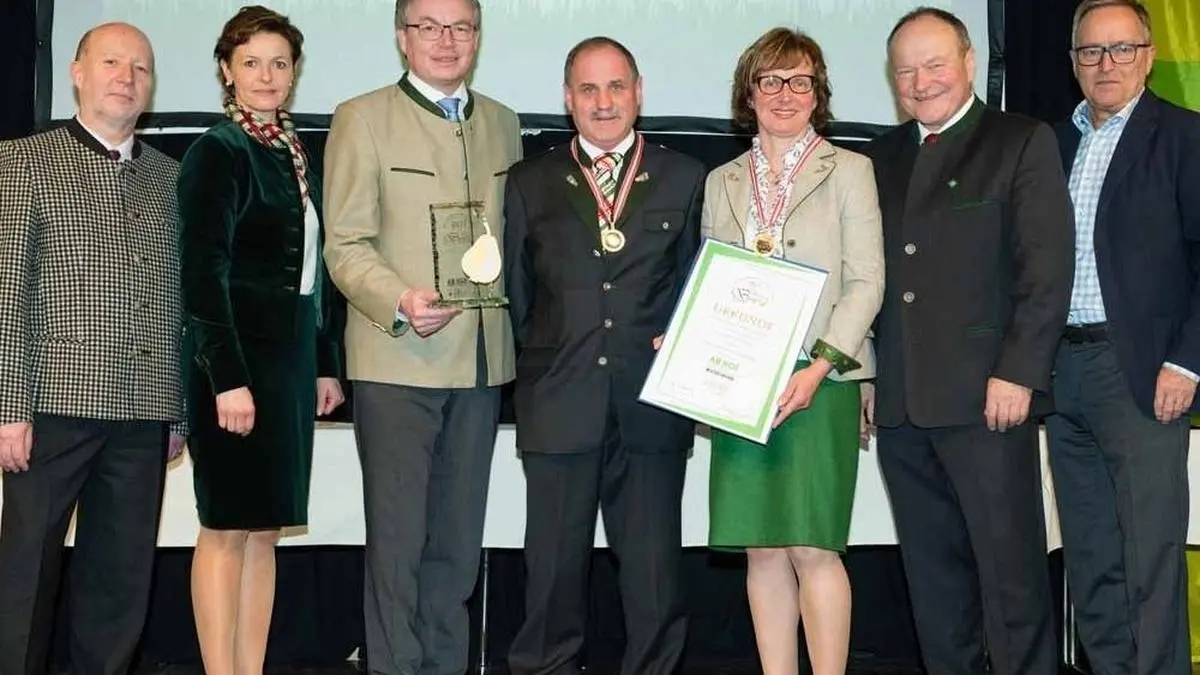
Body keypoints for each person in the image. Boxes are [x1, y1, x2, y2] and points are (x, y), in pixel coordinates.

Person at [860, 7, 1075, 675]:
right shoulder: (880, 157)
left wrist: (1019, 371)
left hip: (989, 400)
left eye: (935, 65)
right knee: (933, 581)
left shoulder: (1020, 140)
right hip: (902, 404)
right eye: (906, 71)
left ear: (970, 62)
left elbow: (1046, 268)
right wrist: (866, 371)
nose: (921, 82)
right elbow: (870, 277)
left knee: (1011, 580)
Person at [322, 0, 522, 672]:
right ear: (402, 38)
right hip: (398, 361)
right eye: (429, 27)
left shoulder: (503, 123)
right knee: (398, 548)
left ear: (477, 38)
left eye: (461, 27)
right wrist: (400, 301)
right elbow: (345, 245)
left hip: (481, 366)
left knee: (457, 551)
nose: (446, 40)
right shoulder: (362, 118)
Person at [502, 36, 705, 675]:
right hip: (559, 403)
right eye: (588, 89)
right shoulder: (529, 181)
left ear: (638, 93)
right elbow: (518, 296)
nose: (604, 101)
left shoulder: (685, 177)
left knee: (654, 580)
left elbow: (697, 287)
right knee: (551, 576)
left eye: (616, 86)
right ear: (568, 99)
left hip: (652, 406)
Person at [0, 22, 187, 675]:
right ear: (77, 73)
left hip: (143, 415)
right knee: (24, 577)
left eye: (140, 67)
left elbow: (179, 298)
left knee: (120, 585)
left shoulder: (170, 177)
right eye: (111, 62)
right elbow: (7, 291)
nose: (126, 78)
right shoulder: (24, 161)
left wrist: (177, 410)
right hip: (50, 409)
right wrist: (9, 408)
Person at [701, 27, 884, 675]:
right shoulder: (721, 180)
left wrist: (821, 366)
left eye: (800, 81)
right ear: (749, 93)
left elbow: (868, 281)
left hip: (821, 379)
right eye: (771, 80)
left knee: (813, 547)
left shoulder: (851, 171)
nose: (786, 94)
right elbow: (710, 280)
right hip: (742, 382)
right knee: (762, 548)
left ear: (818, 93)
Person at [176, 6, 345, 675]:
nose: (267, 75)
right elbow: (202, 275)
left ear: (295, 72)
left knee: (265, 529)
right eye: (251, 63)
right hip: (234, 365)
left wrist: (324, 364)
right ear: (227, 70)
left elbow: (312, 272)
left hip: (289, 363)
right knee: (225, 528)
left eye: (279, 63)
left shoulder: (294, 151)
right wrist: (227, 378)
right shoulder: (218, 151)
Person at [1049, 1, 1200, 673]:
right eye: (1091, 51)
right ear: (1073, 61)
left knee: (1150, 560)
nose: (1105, 64)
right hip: (1062, 373)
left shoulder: (1186, 137)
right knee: (1091, 560)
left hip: (1142, 373)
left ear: (1149, 55)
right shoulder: (1054, 143)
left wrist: (1187, 361)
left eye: (1121, 49)